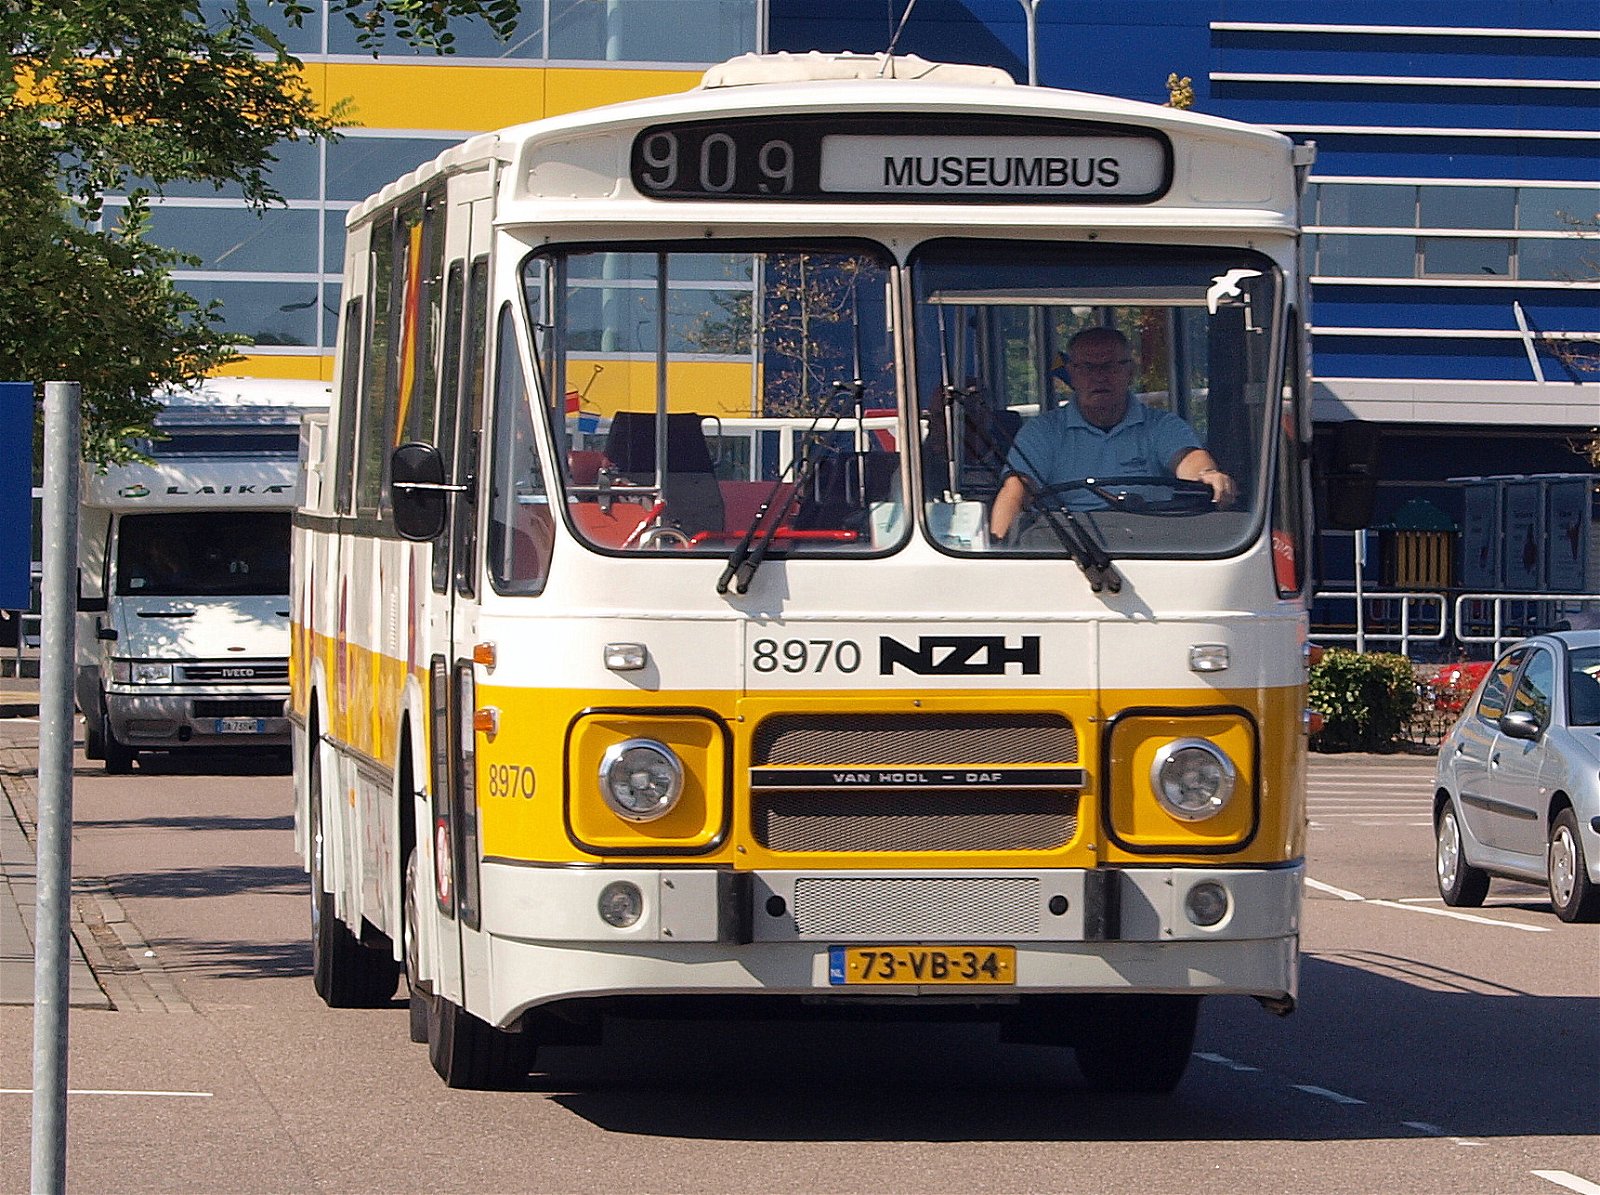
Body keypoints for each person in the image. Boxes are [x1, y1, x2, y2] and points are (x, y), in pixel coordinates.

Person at [989, 326, 1237, 538]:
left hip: (1155, 545)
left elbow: (1189, 459)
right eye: (1087, 368)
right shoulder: (1042, 432)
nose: (1100, 378)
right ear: (1071, 375)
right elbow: (1016, 491)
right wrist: (997, 559)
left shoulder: (1162, 426)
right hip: (1066, 546)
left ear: (1130, 373)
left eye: (1110, 367)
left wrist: (1208, 475)